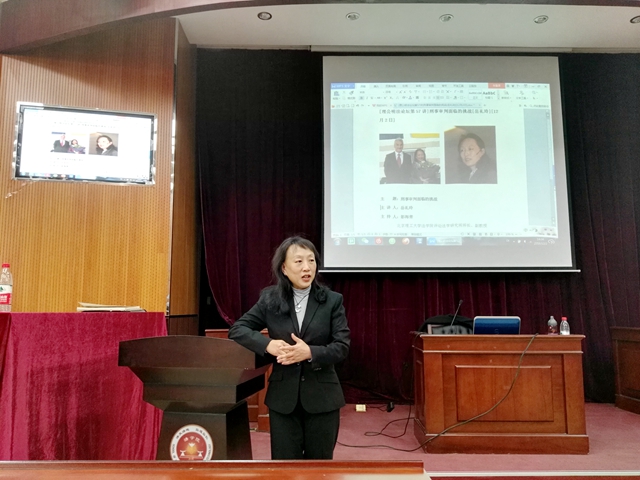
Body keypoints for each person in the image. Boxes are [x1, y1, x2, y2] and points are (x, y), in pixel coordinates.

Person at [228, 236, 350, 460]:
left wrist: (310, 352)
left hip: (322, 398)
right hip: (283, 399)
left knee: (319, 467)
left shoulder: (332, 301)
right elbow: (238, 329)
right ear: (284, 268)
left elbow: (342, 347)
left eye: (311, 260)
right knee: (284, 467)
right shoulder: (270, 299)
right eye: (299, 261)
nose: (307, 267)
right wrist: (269, 345)